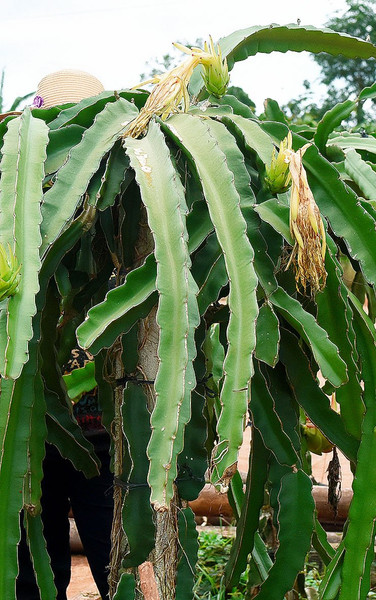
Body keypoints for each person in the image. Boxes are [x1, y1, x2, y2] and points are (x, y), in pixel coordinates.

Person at [16, 70, 113, 600]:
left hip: (100, 428)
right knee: (34, 563)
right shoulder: (14, 189)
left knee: (110, 551)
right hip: (30, 425)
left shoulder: (126, 191)